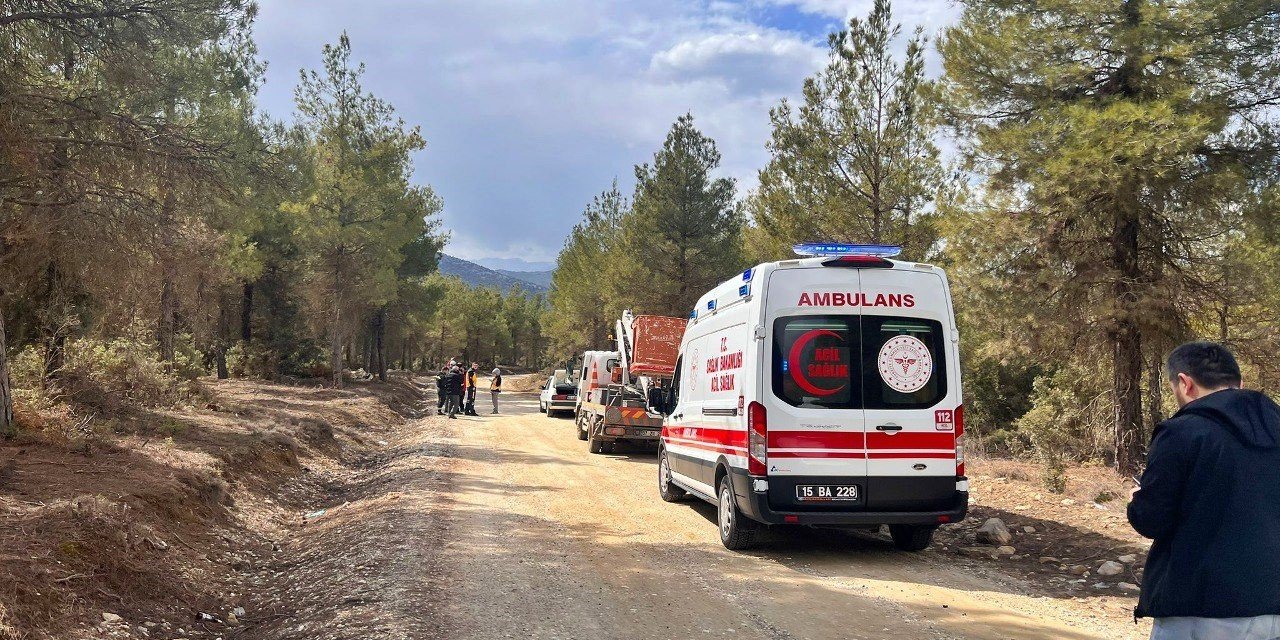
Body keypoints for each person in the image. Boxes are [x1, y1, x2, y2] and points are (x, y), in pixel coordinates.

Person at [1128, 341, 1280, 639]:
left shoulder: (1183, 431)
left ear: (1185, 383)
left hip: (1200, 604)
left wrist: (1136, 501)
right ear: (1239, 384)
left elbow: (1151, 519)